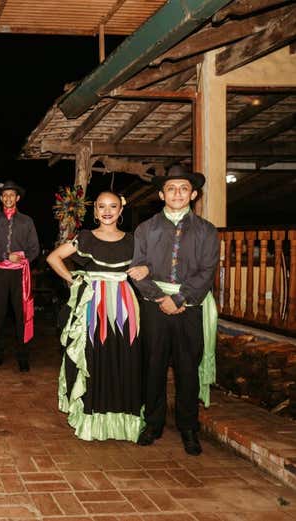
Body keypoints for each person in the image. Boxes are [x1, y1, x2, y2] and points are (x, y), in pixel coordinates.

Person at [132, 165, 219, 456]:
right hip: (155, 307)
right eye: (171, 188)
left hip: (190, 307)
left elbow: (207, 271)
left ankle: (188, 428)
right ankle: (153, 424)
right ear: (161, 194)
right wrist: (159, 298)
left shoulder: (206, 231)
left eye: (183, 188)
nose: (177, 193)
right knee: (153, 365)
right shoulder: (145, 229)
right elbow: (137, 268)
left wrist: (180, 298)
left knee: (186, 369)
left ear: (193, 194)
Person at [47, 192, 148, 442]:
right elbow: (53, 258)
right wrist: (74, 281)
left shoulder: (134, 240)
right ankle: (94, 419)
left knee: (126, 358)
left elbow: (153, 264)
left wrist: (146, 268)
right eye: (101, 206)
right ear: (94, 212)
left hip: (125, 307)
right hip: (94, 306)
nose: (107, 211)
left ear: (120, 209)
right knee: (95, 358)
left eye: (112, 206)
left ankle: (124, 422)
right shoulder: (85, 238)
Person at [0, 180, 40, 372]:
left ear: (18, 198)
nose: (8, 198)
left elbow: (34, 249)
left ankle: (23, 357)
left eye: (11, 195)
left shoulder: (27, 221)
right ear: (1, 198)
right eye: (4, 195)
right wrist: (5, 256)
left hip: (19, 275)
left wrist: (21, 259)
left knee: (21, 316)